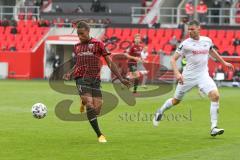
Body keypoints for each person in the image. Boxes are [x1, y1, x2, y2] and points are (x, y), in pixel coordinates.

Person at [152, 20, 234, 137]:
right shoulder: (185, 44)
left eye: (192, 29)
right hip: (187, 77)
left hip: (203, 75)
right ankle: (161, 111)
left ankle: (214, 127)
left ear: (199, 29)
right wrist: (177, 74)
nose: (189, 31)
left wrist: (224, 62)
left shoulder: (207, 40)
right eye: (188, 29)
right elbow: (173, 59)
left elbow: (211, 51)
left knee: (215, 96)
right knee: (176, 101)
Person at [63, 21, 131, 143]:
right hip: (80, 78)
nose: (80, 36)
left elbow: (109, 62)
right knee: (90, 105)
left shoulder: (98, 44)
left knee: (97, 109)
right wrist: (70, 72)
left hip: (94, 79)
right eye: (78, 34)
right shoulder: (77, 46)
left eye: (82, 34)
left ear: (88, 32)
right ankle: (100, 135)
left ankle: (83, 101)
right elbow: (78, 62)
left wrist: (120, 78)